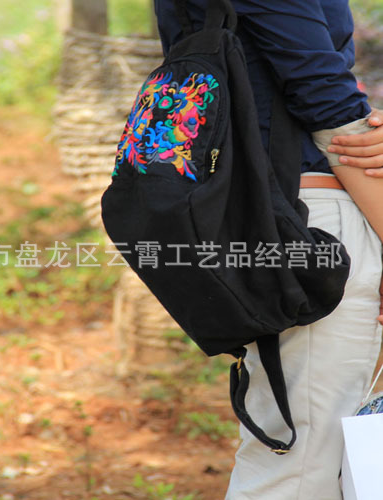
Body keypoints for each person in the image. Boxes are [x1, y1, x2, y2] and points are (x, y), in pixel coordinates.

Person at [153, 1, 383, 498]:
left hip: (271, 215)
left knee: (313, 462)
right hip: (314, 221)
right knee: (302, 471)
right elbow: (323, 95)